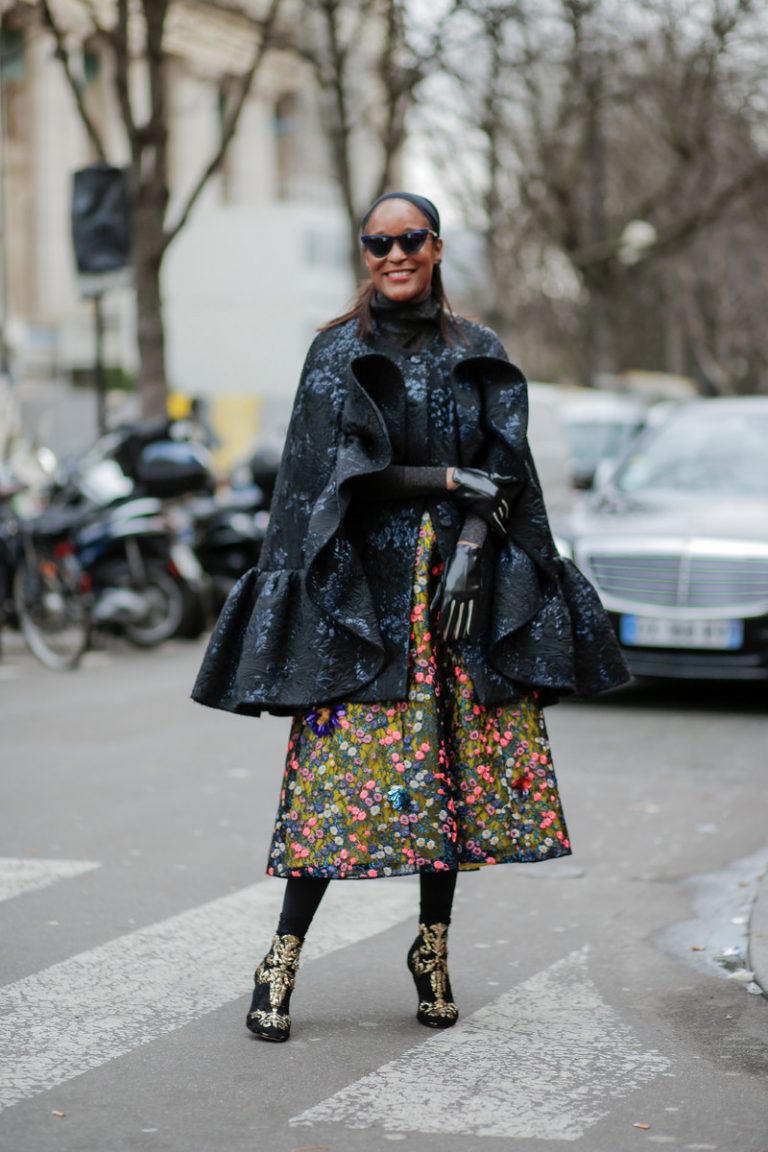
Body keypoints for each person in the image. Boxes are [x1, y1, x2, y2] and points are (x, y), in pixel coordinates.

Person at [192, 191, 629, 1042]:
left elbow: (506, 477)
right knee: (331, 787)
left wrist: (470, 546)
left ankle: (430, 950)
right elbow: (327, 484)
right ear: (364, 253)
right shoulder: (334, 354)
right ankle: (279, 958)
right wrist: (445, 482)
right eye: (378, 242)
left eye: (411, 239)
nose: (395, 254)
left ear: (436, 247)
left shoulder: (480, 350)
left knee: (449, 777)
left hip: (456, 594)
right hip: (359, 599)